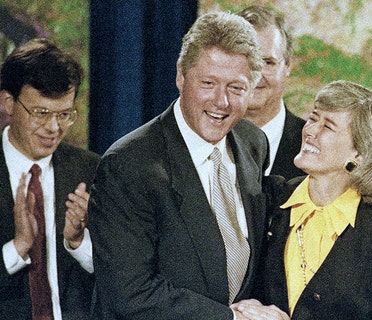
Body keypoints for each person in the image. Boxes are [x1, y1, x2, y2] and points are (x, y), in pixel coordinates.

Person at [88, 12, 274, 320]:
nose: (221, 101)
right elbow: (130, 294)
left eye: (236, 88)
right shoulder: (128, 166)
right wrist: (232, 319)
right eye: (208, 83)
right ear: (180, 76)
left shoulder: (253, 143)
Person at [233, 80, 372, 319]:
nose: (310, 130)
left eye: (328, 126)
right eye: (314, 118)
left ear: (360, 152)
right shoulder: (272, 199)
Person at [0, 38, 100, 319]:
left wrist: (79, 242)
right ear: (8, 102)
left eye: (64, 115)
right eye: (41, 113)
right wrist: (18, 246)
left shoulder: (91, 171)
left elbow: (120, 278)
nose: (53, 128)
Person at [237, 5, 306, 180]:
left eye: (268, 62)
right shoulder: (201, 139)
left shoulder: (315, 146)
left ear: (288, 66)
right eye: (245, 61)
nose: (255, 75)